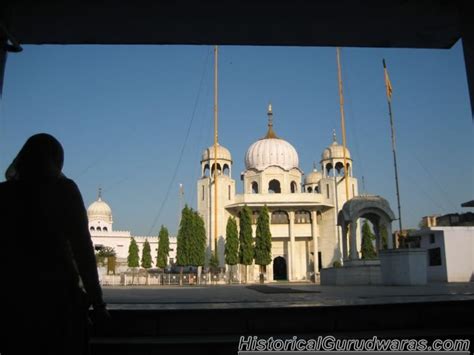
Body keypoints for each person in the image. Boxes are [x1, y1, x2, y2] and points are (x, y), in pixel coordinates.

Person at [0, 133, 109, 355]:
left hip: (15, 306)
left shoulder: (5, 194)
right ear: (56, 161)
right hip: (60, 305)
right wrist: (98, 305)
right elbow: (83, 252)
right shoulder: (64, 190)